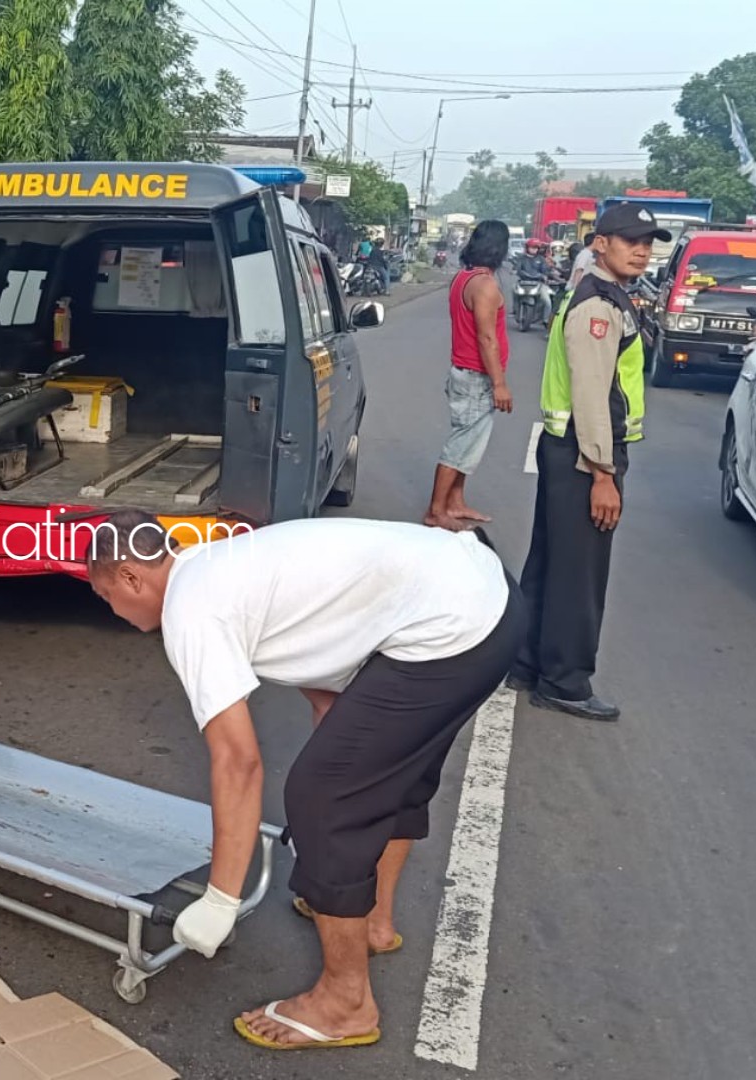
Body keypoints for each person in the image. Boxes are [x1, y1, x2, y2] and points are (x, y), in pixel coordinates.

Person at [86, 510, 522, 1052]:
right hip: (484, 595)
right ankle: (373, 922)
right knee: (374, 771)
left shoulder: (190, 611)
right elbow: (329, 693)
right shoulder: (220, 566)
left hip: (454, 629)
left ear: (131, 577)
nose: (114, 611)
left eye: (107, 597)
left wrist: (221, 900)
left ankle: (346, 1003)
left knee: (323, 799)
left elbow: (238, 763)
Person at [508, 203, 665, 722]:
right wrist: (602, 474)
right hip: (585, 453)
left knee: (552, 561)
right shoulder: (600, 306)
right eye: (629, 240)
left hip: (564, 448)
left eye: (648, 241)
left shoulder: (606, 295)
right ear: (601, 243)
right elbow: (593, 395)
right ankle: (566, 680)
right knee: (581, 574)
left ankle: (528, 662)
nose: (642, 249)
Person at [425, 220, 511, 532]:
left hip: (465, 372)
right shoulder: (485, 286)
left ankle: (455, 502)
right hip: (476, 375)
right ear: (500, 249)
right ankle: (437, 510)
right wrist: (499, 383)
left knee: (469, 442)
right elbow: (486, 338)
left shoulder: (463, 278)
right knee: (461, 444)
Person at [515, 239, 556, 326]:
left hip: (539, 284)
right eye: (532, 247)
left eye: (536, 248)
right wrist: (528, 275)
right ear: (527, 248)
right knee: (513, 292)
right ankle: (515, 312)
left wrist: (546, 275)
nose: (534, 249)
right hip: (523, 283)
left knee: (547, 302)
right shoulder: (521, 258)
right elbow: (518, 270)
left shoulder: (541, 259)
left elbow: (545, 271)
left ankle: (546, 321)